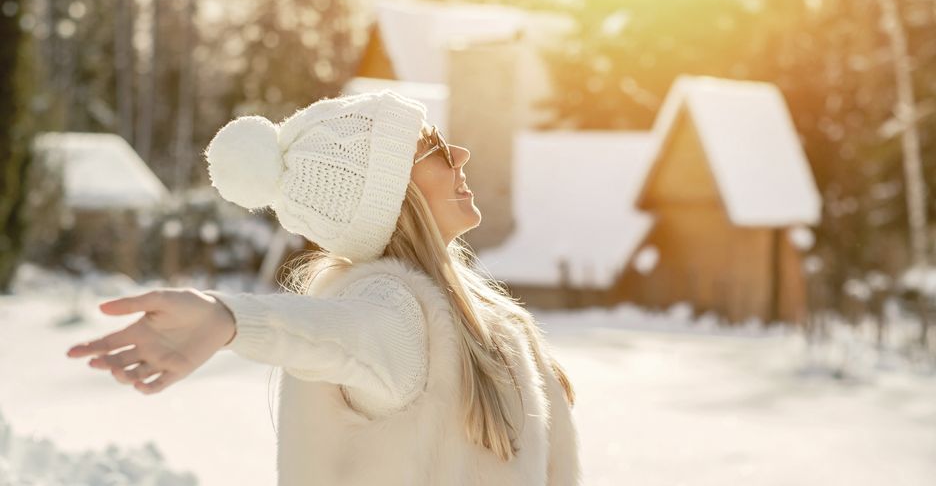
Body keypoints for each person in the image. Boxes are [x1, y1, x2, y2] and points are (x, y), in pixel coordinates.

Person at [66, 89, 581, 485]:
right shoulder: (399, 309)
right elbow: (340, 334)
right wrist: (232, 320)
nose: (461, 155)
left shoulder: (484, 314)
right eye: (436, 148)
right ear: (392, 193)